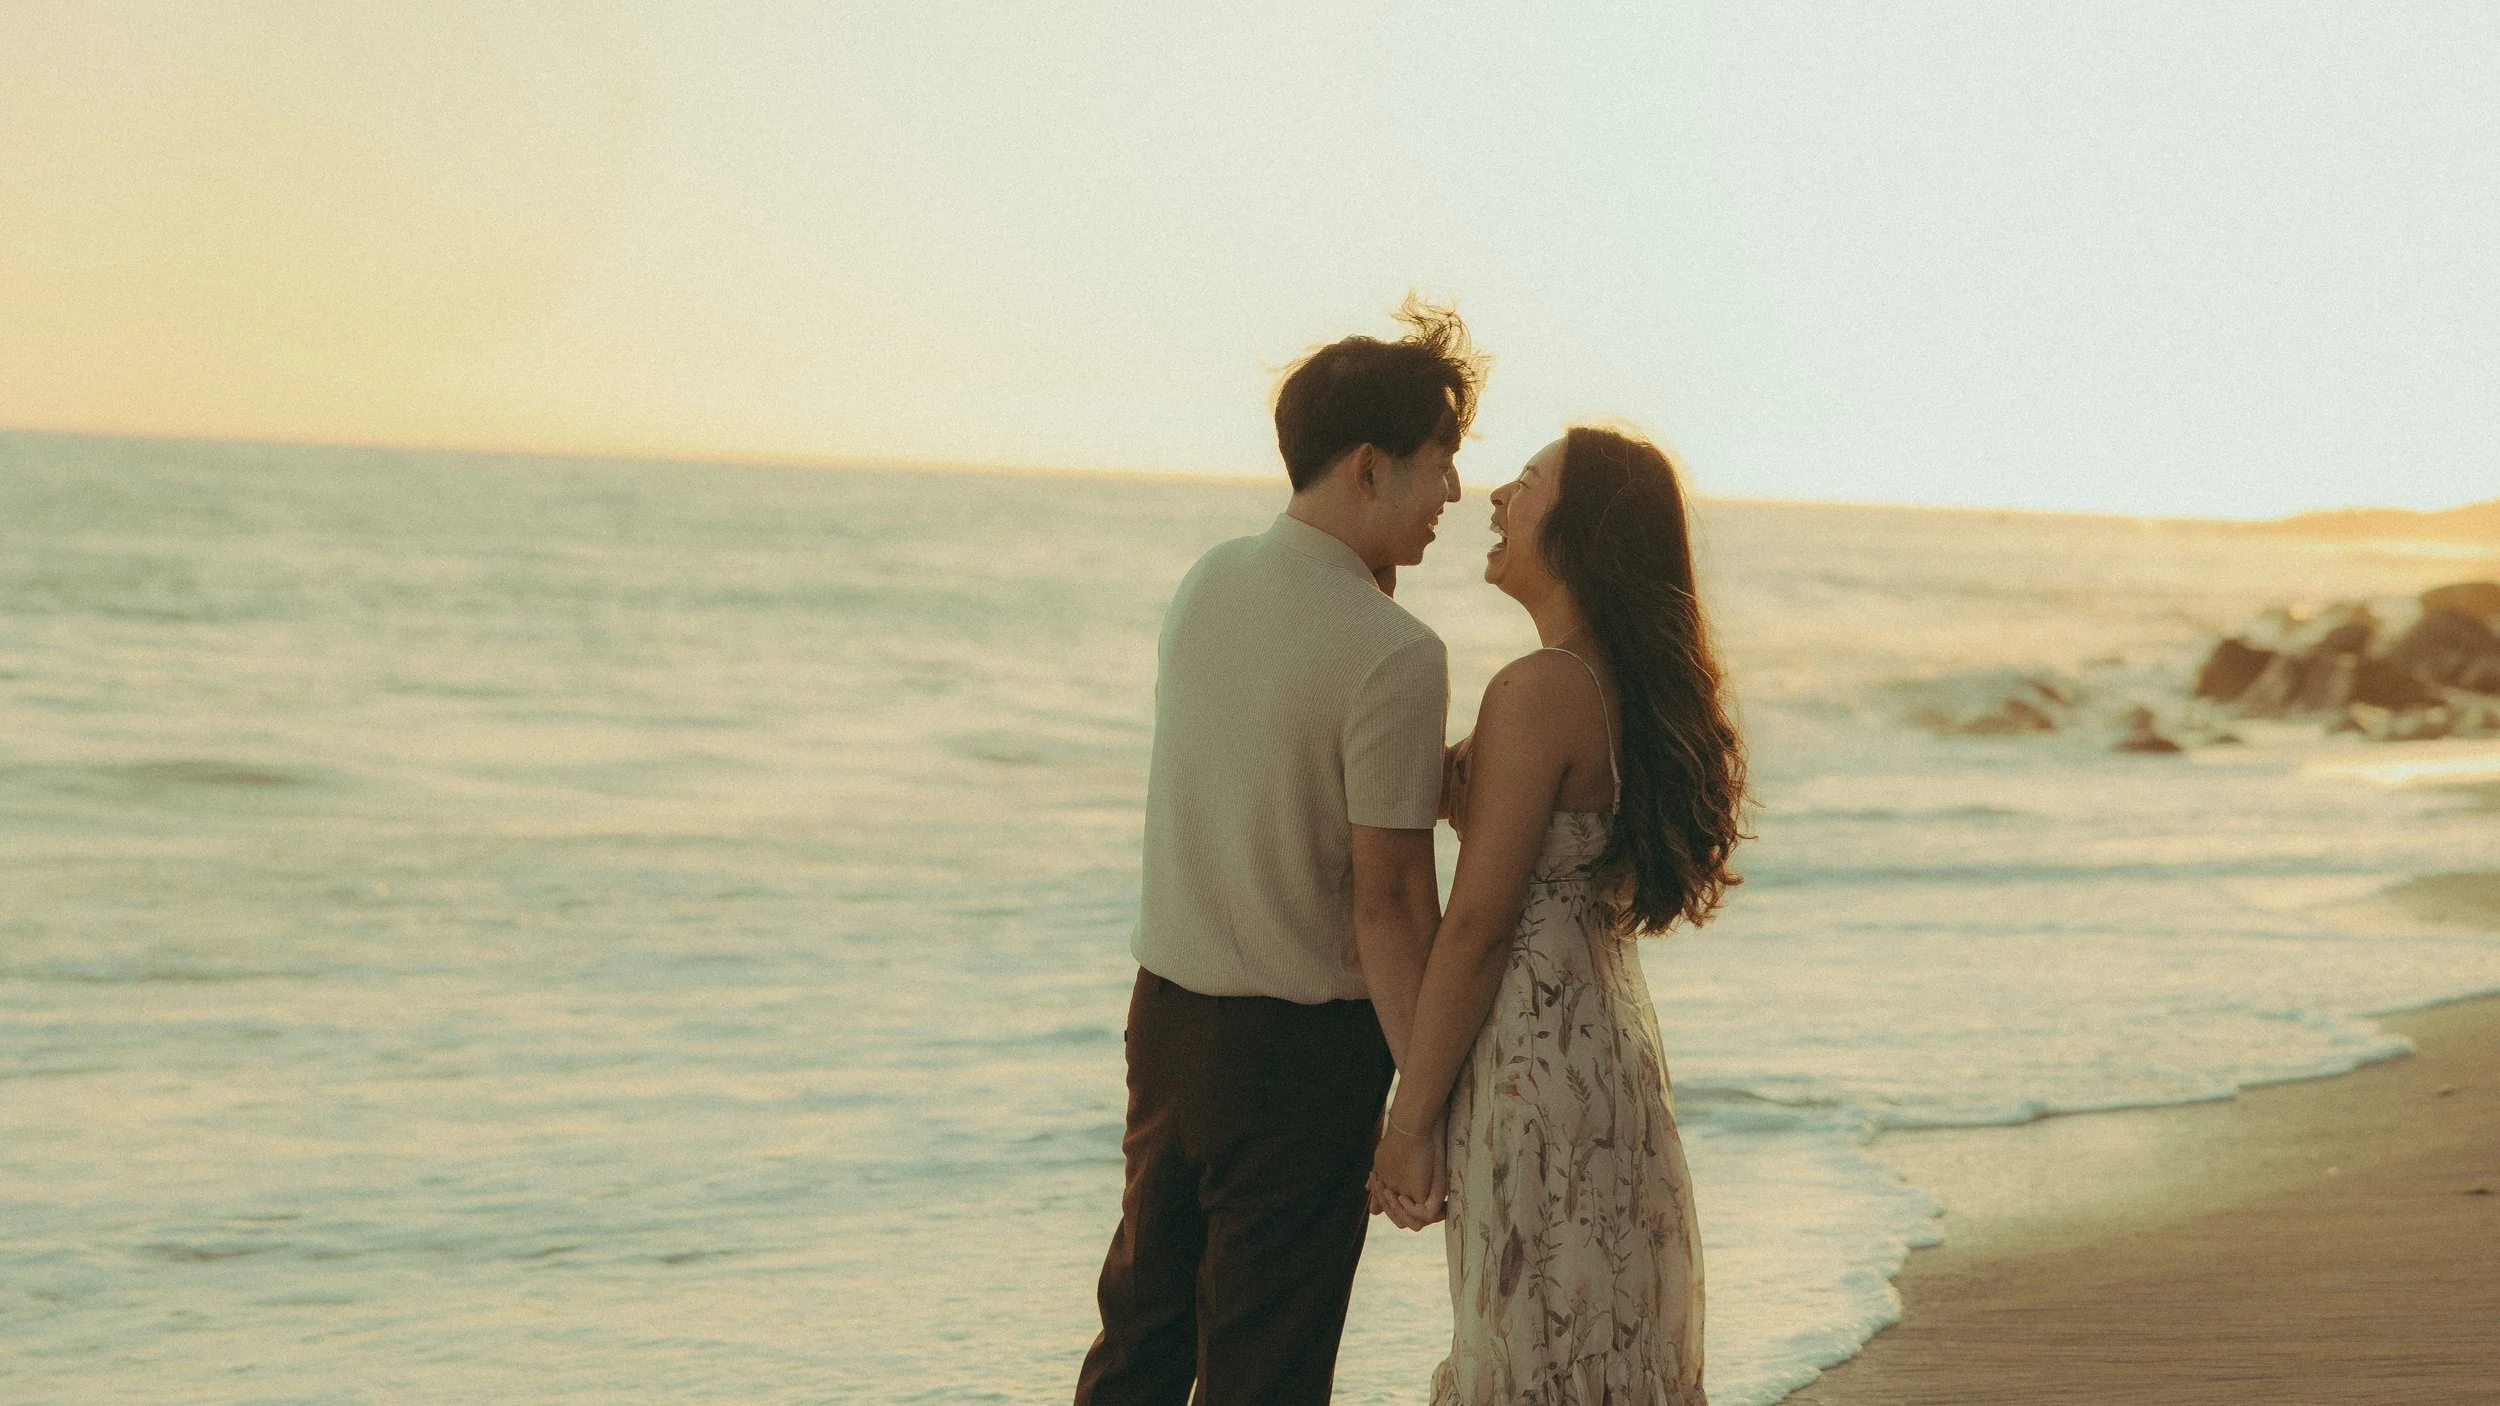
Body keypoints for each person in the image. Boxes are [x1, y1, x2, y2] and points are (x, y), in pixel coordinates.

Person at [1073, 300, 1487, 1406]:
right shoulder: (1393, 652)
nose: (1454, 490)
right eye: (1440, 461)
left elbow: (1257, 778)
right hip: (1297, 1057)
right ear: (1368, 466)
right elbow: (1391, 902)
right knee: (1268, 1369)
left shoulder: (1208, 581)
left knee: (1141, 1333)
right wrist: (1426, 1106)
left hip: (1165, 1018)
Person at [1370, 426, 1747, 1406]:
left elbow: (1478, 926)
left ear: (1580, 530)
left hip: (1533, 1073)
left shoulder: (1541, 689)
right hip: (1610, 1069)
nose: (1496, 497)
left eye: (1527, 484)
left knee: (1532, 1355)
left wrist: (1409, 1119)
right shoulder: (1623, 689)